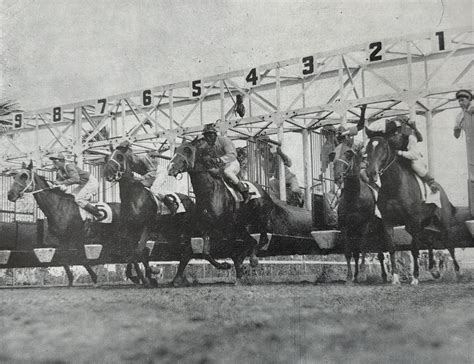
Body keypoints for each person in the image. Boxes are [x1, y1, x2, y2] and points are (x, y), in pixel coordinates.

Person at [366, 115, 439, 192]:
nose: (394, 134)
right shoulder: (390, 135)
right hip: (395, 159)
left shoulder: (410, 136)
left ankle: (430, 182)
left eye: (397, 130)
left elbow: (414, 155)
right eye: (393, 131)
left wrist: (400, 153)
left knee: (416, 166)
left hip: (410, 158)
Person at [116, 141, 179, 215]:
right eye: (120, 151)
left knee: (154, 189)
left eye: (123, 150)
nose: (121, 153)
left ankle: (171, 205)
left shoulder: (142, 157)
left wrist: (140, 178)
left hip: (159, 172)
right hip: (149, 174)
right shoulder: (128, 162)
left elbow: (153, 172)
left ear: (130, 150)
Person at [200, 123, 250, 202]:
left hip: (232, 163)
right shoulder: (207, 146)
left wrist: (218, 160)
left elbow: (232, 155)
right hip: (220, 167)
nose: (208, 138)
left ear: (215, 134)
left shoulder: (224, 140)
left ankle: (244, 191)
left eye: (210, 135)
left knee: (227, 172)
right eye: (206, 136)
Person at [49, 152, 104, 219]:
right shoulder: (59, 171)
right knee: (72, 197)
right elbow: (58, 182)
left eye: (55, 161)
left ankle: (98, 214)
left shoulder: (68, 166)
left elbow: (76, 179)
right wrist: (53, 184)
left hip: (90, 182)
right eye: (53, 161)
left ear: (61, 161)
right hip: (83, 183)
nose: (53, 163)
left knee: (78, 199)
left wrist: (62, 183)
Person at [259, 136, 302, 206]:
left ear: (269, 150)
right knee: (271, 184)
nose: (263, 154)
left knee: (295, 190)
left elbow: (289, 164)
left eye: (264, 151)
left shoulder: (278, 155)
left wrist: (281, 154)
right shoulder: (263, 162)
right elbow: (269, 175)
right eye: (261, 152)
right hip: (279, 182)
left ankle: (299, 200)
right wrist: (274, 163)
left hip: (289, 178)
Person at [453, 89, 474, 215]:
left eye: (463, 100)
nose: (461, 103)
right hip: (471, 148)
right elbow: (456, 135)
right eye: (459, 101)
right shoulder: (460, 116)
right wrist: (456, 129)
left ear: (469, 99)